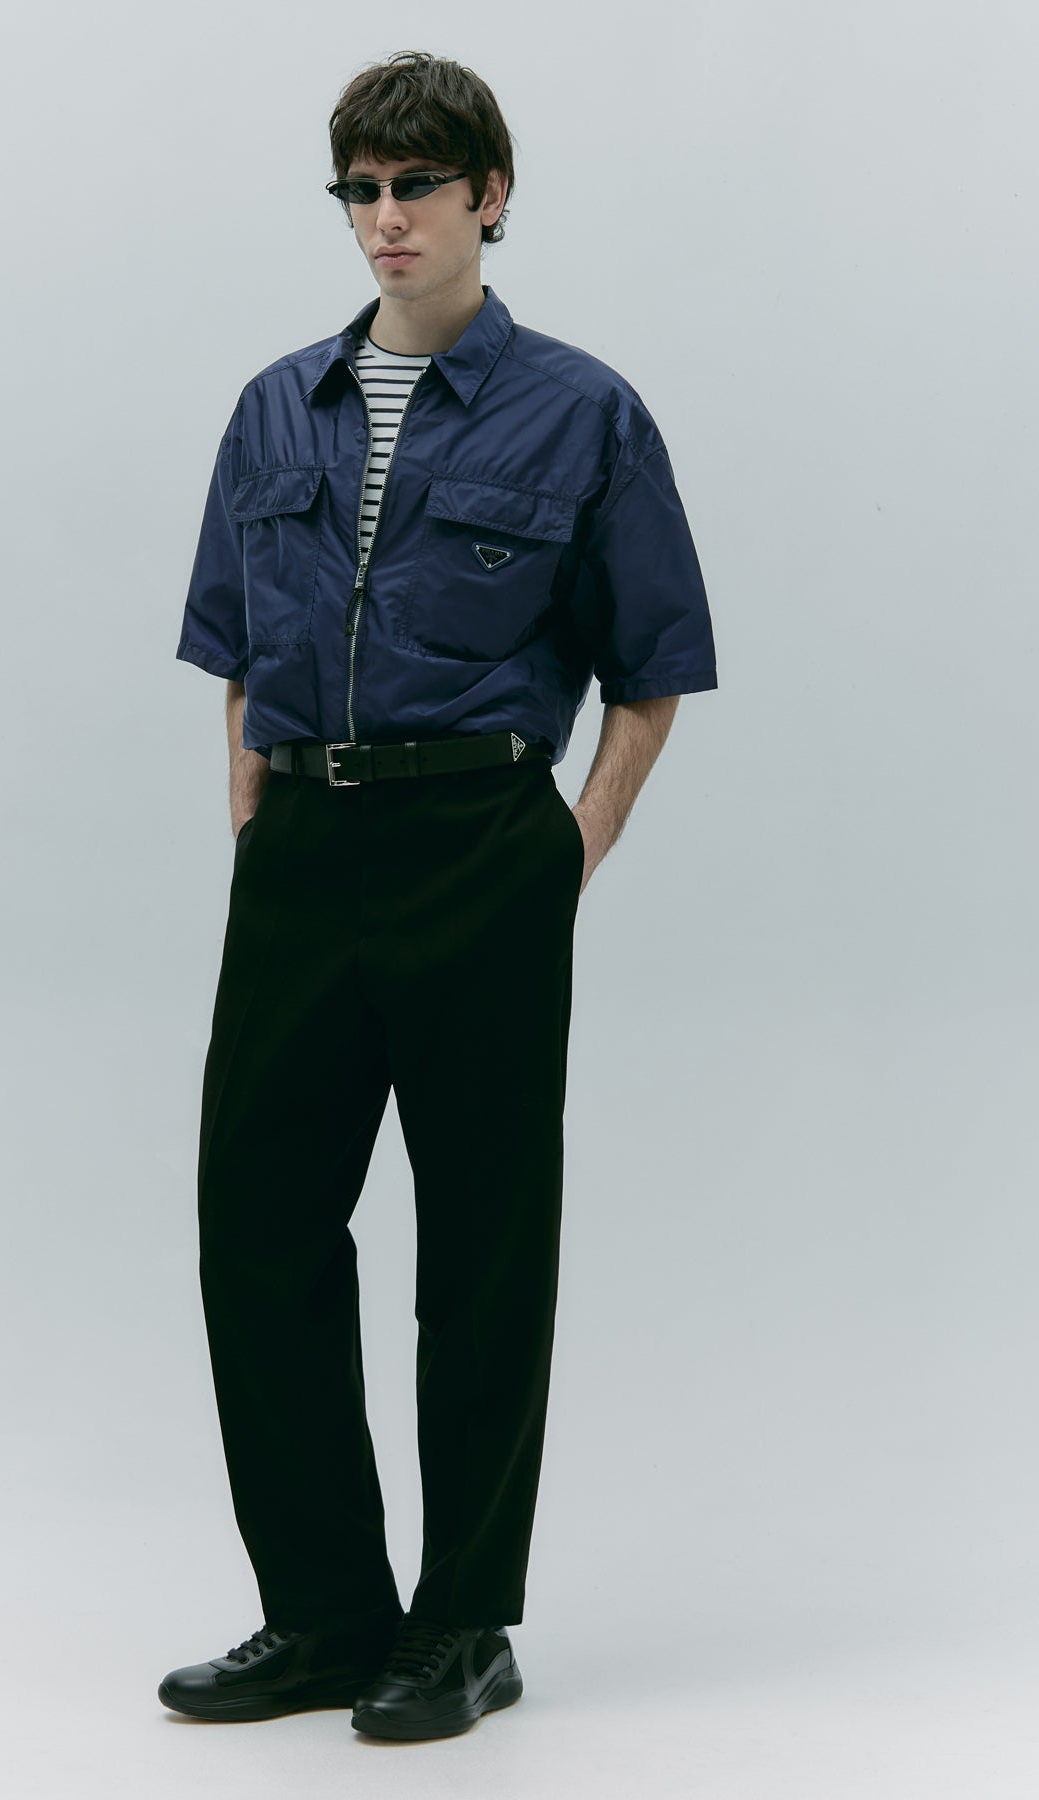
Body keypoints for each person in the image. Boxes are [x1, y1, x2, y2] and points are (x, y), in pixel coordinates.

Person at [157, 50, 718, 1742]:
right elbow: (234, 641)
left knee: (481, 1242)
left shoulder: (584, 411)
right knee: (257, 1227)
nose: (386, 219)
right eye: (362, 190)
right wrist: (252, 810)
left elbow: (653, 669)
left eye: (417, 187)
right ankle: (327, 1612)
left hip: (481, 848)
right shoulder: (276, 407)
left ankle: (464, 1622)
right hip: (303, 854)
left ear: (491, 195)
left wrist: (567, 851)